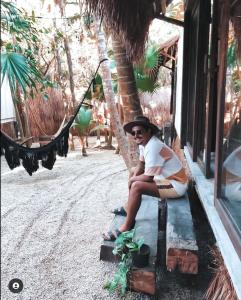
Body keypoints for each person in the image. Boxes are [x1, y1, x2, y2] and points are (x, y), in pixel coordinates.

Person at [103, 116, 189, 241]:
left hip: (177, 185)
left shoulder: (154, 147)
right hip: (165, 178)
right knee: (133, 172)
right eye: (134, 133)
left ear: (149, 131)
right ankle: (129, 207)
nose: (136, 135)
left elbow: (148, 178)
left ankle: (126, 226)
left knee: (137, 186)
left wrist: (132, 181)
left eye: (140, 132)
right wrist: (133, 176)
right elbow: (141, 166)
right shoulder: (145, 144)